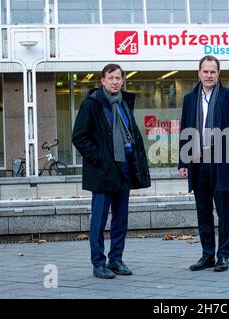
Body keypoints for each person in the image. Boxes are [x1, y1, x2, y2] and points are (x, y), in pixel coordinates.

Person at [72, 63, 150, 279]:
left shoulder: (124, 102)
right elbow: (78, 136)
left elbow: (130, 132)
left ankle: (116, 259)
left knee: (120, 219)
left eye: (119, 78)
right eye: (111, 78)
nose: (116, 81)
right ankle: (98, 263)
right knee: (99, 220)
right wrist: (100, 158)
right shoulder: (92, 104)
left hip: (124, 167)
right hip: (103, 170)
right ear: (102, 81)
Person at [178, 55, 229, 272]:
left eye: (212, 72)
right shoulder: (190, 98)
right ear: (199, 72)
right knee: (203, 211)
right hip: (197, 162)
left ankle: (222, 256)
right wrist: (183, 161)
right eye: (205, 71)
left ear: (218, 73)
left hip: (222, 163)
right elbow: (184, 130)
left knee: (224, 212)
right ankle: (207, 254)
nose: (208, 75)